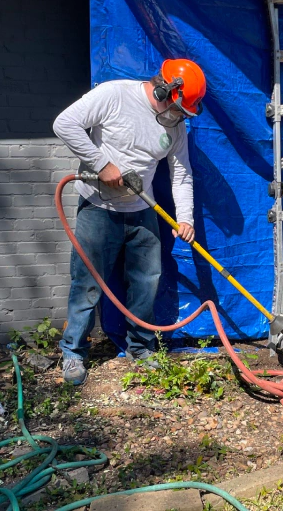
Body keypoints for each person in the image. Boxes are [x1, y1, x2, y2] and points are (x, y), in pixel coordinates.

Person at [52, 59, 206, 385]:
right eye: (179, 108)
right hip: (98, 209)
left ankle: (141, 348)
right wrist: (102, 165)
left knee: (147, 282)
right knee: (87, 284)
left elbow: (181, 173)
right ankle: (74, 353)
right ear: (165, 89)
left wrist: (186, 218)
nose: (180, 117)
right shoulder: (114, 95)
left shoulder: (174, 125)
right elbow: (65, 123)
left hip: (142, 210)